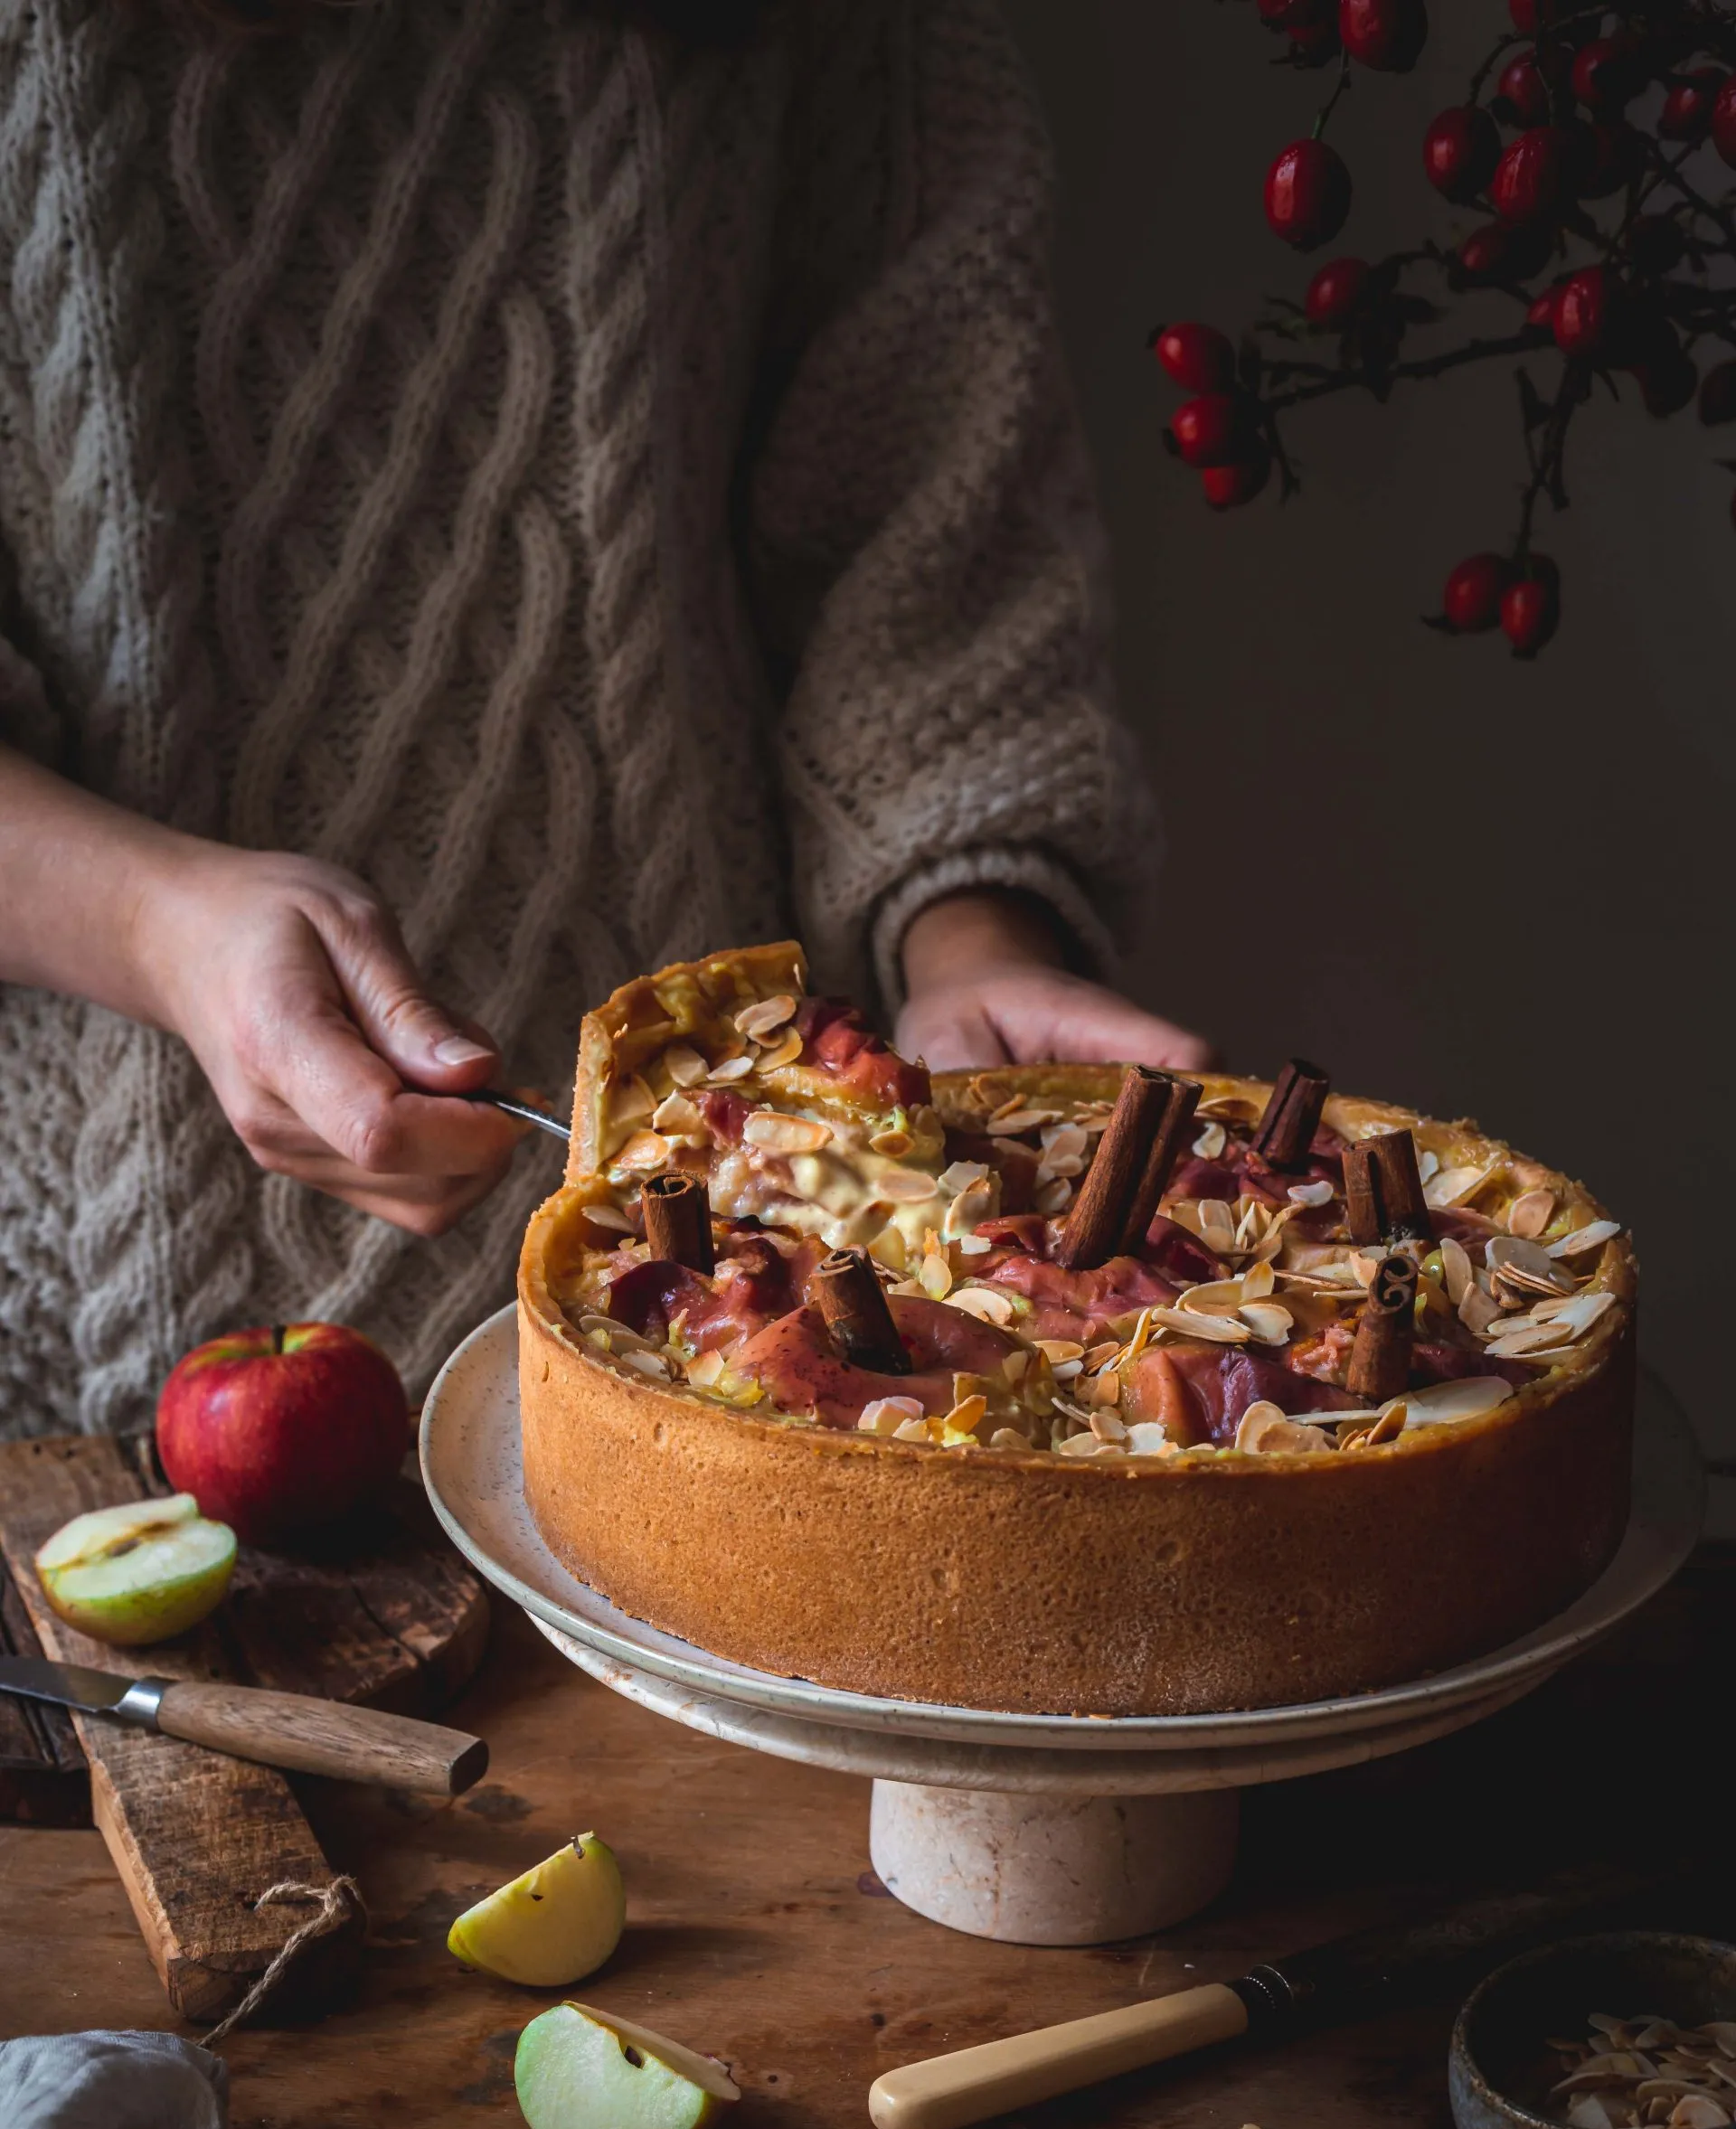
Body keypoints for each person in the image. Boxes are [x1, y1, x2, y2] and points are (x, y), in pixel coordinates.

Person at [0, 0, 1204, 1442]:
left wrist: (973, 940)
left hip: (784, 1320)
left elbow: (929, 517)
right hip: (102, 1331)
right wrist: (149, 924)